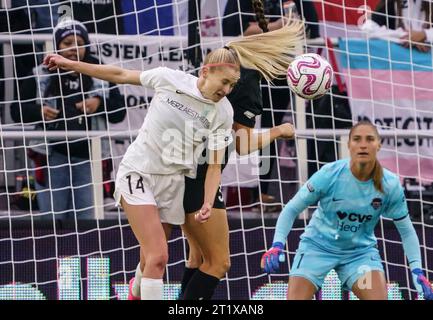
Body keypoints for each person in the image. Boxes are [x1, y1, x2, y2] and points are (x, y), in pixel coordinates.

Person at [44, 17, 304, 300]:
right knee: (159, 257)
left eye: (232, 85)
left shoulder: (224, 112)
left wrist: (206, 202)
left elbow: (216, 165)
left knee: (155, 261)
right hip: (138, 172)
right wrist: (70, 64)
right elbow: (119, 74)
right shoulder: (170, 78)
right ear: (206, 71)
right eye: (225, 82)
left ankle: (134, 291)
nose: (227, 90)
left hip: (174, 183)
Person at [125, 12, 304, 299]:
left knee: (192, 256)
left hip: (178, 170)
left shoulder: (227, 57)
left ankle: (140, 289)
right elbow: (241, 143)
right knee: (218, 262)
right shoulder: (246, 81)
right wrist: (278, 131)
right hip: (199, 174)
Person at [261, 121, 433, 300]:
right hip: (317, 247)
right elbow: (291, 209)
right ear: (349, 145)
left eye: (369, 139)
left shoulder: (390, 185)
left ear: (379, 145)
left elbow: (406, 231)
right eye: (357, 139)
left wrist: (417, 270)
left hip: (359, 253)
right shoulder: (329, 174)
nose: (363, 145)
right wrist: (277, 244)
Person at [11, 19, 125, 219]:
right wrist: (39, 112)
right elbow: (16, 110)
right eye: (67, 43)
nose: (74, 49)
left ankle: (85, 253)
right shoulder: (40, 73)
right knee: (52, 221)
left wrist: (99, 104)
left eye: (80, 44)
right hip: (51, 156)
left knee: (86, 222)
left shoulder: (100, 71)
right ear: (56, 46)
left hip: (88, 158)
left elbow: (120, 113)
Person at [223, 0, 320, 211]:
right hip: (251, 68)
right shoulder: (239, 2)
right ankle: (254, 191)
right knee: (245, 130)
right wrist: (278, 27)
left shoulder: (300, 2)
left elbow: (313, 28)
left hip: (289, 70)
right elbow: (232, 30)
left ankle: (309, 190)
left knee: (299, 127)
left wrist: (293, 29)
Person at [362, 0, 433, 52]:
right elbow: (367, 29)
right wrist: (406, 36)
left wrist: (425, 34)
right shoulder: (392, 2)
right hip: (399, 61)